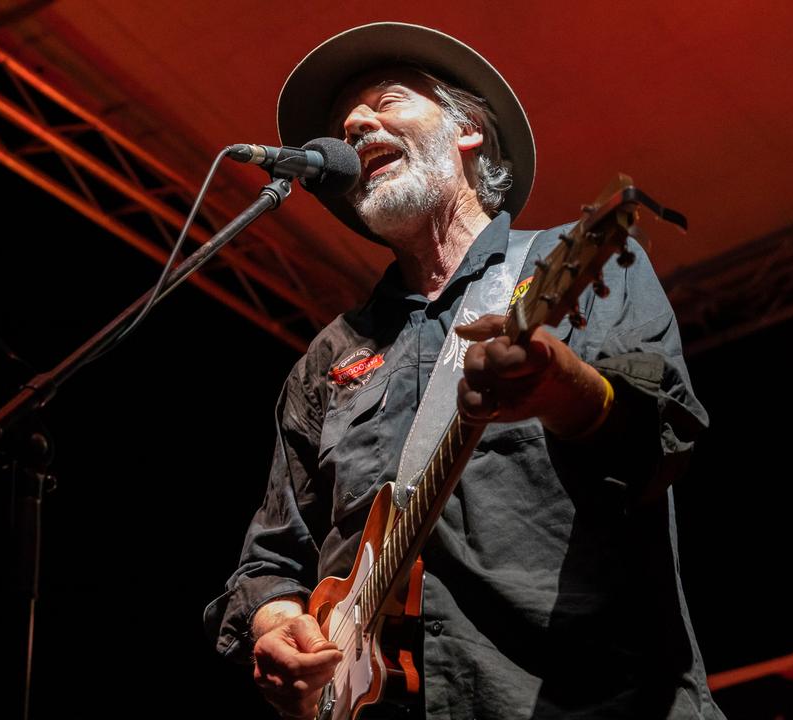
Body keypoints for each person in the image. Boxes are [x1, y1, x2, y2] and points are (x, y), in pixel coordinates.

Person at [204, 22, 725, 720]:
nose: (355, 125)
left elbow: (664, 439)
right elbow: (268, 563)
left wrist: (562, 389)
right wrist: (273, 628)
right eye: (344, 123)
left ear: (469, 130)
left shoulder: (560, 270)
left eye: (386, 101)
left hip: (582, 699)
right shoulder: (327, 358)